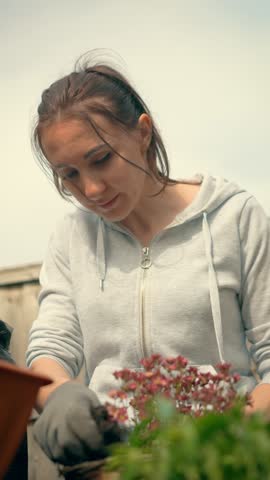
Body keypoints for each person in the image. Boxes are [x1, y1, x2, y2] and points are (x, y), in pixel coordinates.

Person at [26, 52, 270, 466]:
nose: (91, 189)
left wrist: (237, 433)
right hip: (116, 464)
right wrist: (57, 395)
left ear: (142, 133)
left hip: (220, 457)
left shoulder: (235, 216)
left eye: (100, 159)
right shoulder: (72, 236)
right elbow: (52, 346)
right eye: (68, 174)